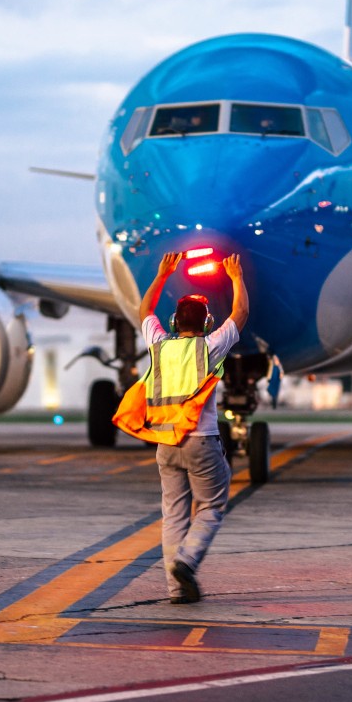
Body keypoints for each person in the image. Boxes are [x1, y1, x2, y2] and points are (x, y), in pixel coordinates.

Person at [137, 251, 249, 604]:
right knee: (212, 506)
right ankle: (187, 560)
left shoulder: (158, 345)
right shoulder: (209, 346)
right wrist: (235, 276)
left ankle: (175, 589)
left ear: (173, 322)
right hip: (202, 441)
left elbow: (144, 313)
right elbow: (240, 314)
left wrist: (162, 274)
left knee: (173, 514)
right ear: (205, 324)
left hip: (165, 442)